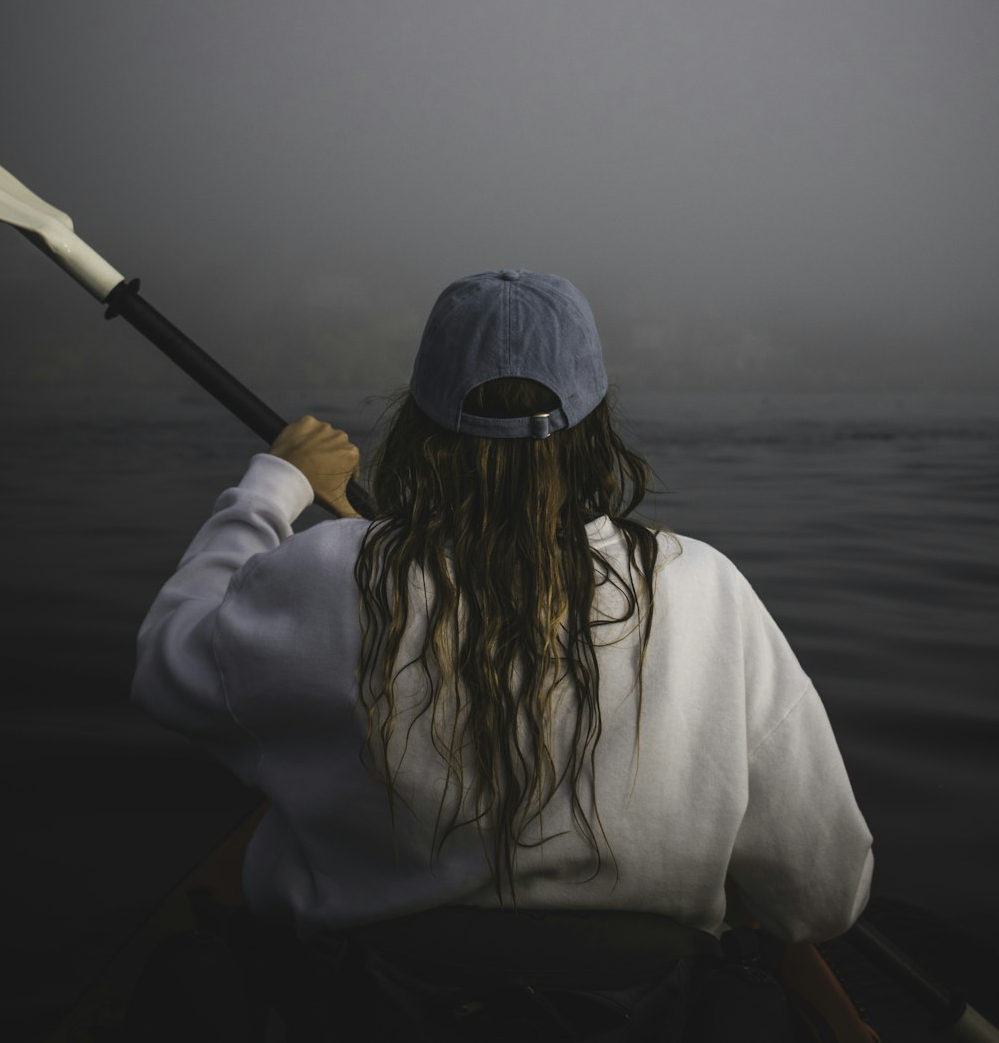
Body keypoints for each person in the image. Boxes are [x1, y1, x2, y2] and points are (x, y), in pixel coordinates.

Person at [132, 269, 873, 1038]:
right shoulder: (708, 588)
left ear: (420, 418)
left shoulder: (325, 571)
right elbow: (824, 898)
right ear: (595, 422)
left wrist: (273, 485)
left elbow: (165, 663)